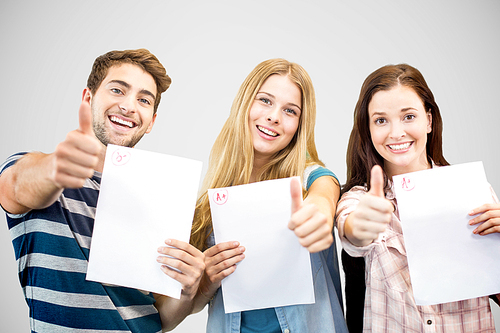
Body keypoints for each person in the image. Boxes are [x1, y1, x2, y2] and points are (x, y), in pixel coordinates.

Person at [0, 49, 205, 332]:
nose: (129, 106)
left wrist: (187, 290)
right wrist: (59, 166)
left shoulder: (159, 202)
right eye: (118, 90)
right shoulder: (39, 170)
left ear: (151, 121)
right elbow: (16, 185)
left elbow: (158, 318)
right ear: (88, 99)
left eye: (143, 99)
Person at [186, 58, 348, 333]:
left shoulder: (307, 177)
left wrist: (321, 206)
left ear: (300, 124)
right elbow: (189, 305)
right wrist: (206, 282)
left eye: (290, 111)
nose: (274, 116)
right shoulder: (212, 200)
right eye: (265, 101)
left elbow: (325, 186)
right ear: (245, 103)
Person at [336, 63, 500, 332]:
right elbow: (352, 232)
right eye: (381, 120)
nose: (396, 132)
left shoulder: (473, 191)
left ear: (429, 120)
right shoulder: (358, 199)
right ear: (368, 129)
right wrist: (362, 227)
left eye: (408, 116)